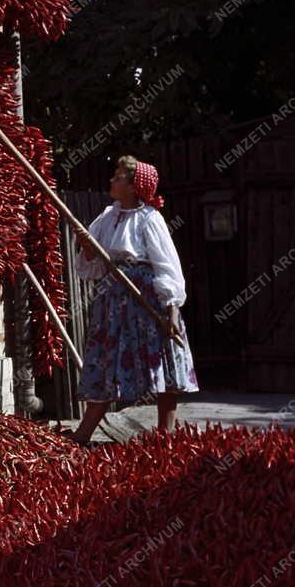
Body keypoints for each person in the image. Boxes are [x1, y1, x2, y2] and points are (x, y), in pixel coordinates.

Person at [68, 156, 199, 445]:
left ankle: (167, 433)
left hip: (146, 300)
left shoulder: (149, 219)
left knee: (162, 362)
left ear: (133, 186)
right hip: (113, 302)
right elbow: (94, 266)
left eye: (118, 177)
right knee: (105, 362)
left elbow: (167, 266)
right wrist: (87, 247)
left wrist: (172, 309)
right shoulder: (107, 217)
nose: (112, 181)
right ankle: (83, 433)